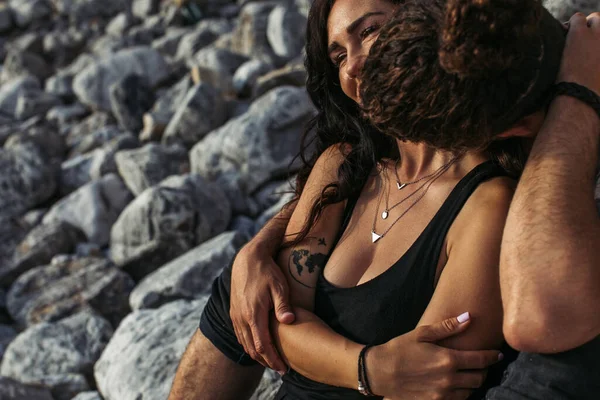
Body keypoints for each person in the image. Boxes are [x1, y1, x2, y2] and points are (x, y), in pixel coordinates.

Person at [168, 1, 511, 399]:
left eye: (369, 32)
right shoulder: (344, 166)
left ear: (431, 21)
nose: (352, 66)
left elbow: (432, 384)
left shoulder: (486, 203)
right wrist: (369, 367)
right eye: (338, 55)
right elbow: (283, 322)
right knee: (236, 287)